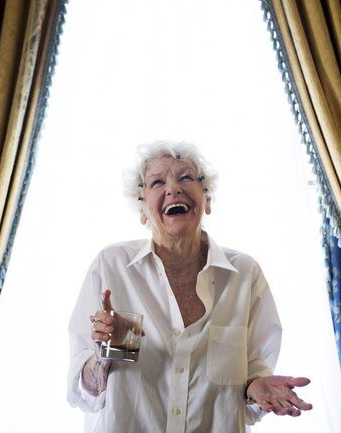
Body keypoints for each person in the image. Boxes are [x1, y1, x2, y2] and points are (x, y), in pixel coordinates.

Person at [67, 141, 312, 433]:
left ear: (206, 199)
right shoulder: (111, 266)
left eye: (185, 177)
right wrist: (104, 353)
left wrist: (255, 386)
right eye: (157, 182)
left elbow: (253, 376)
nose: (173, 189)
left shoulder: (245, 274)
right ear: (142, 209)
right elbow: (86, 393)